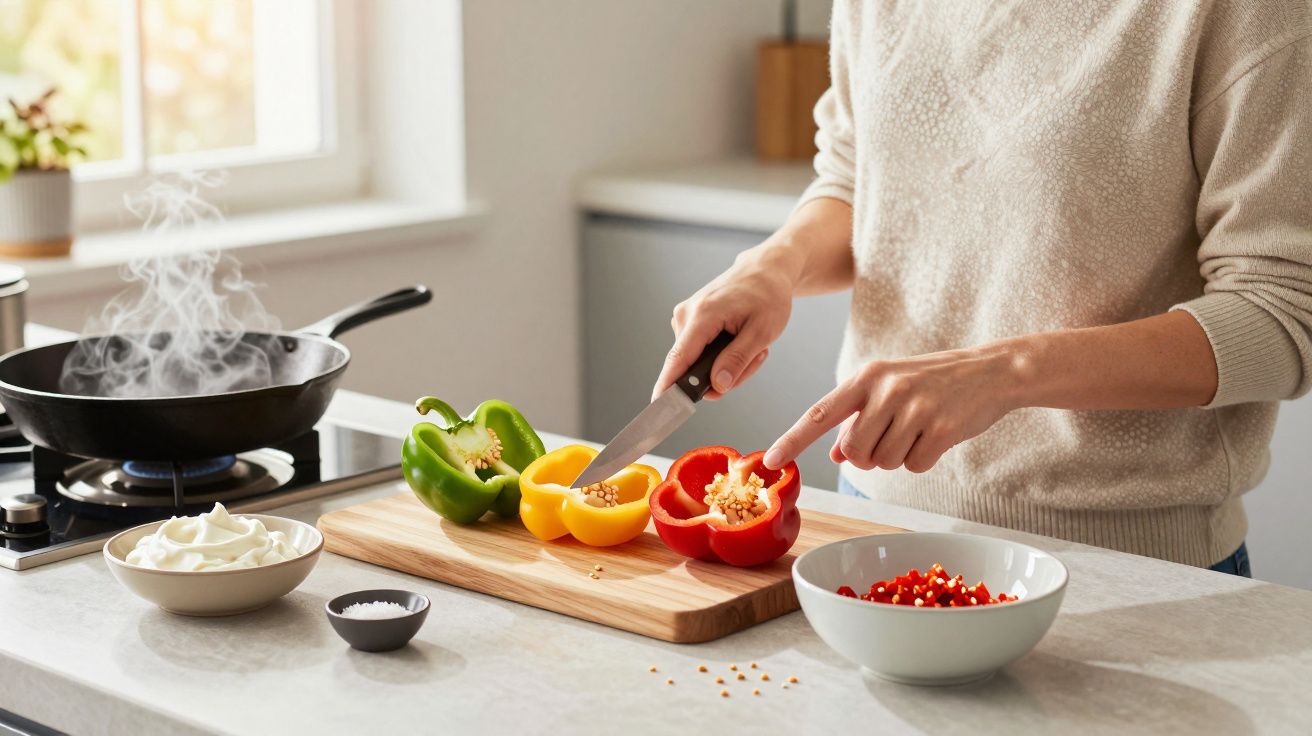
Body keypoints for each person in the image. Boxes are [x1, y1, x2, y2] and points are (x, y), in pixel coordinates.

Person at [653, 0, 1312, 577]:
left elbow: (1281, 313)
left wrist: (1006, 373)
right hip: (871, 526)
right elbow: (858, 178)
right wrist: (776, 264)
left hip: (1132, 566)